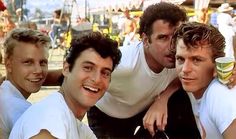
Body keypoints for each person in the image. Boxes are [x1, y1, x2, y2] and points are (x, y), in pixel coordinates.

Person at [43, 2, 236, 138]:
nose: (171, 45)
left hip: (145, 109)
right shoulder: (124, 62)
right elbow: (70, 73)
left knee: (181, 100)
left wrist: (163, 98)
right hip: (108, 116)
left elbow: (198, 68)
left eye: (174, 36)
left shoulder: (178, 58)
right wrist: (30, 78)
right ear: (145, 40)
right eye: (162, 37)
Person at [9, 32, 122, 139]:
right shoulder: (51, 118)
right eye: (87, 68)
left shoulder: (77, 126)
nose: (97, 79)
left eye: (105, 73)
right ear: (66, 69)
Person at [173, 22, 236, 139]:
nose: (185, 69)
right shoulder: (196, 87)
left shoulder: (219, 95)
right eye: (180, 59)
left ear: (216, 65)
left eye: (196, 60)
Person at [0, 28, 50, 139]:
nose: (38, 70)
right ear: (8, 65)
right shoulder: (18, 108)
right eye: (28, 62)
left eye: (42, 62)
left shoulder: (4, 92)